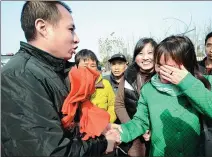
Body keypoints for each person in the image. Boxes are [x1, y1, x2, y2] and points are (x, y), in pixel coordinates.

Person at [1, 2, 117, 156]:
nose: (77, 39)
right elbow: (53, 151)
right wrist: (103, 144)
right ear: (43, 28)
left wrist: (102, 128)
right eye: (70, 29)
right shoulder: (19, 76)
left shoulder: (56, 70)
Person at [110, 35, 212, 156]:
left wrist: (187, 83)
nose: (162, 72)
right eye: (159, 65)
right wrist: (122, 132)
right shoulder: (149, 89)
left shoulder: (204, 83)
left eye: (170, 68)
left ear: (186, 65)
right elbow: (140, 121)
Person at [115, 38, 157, 157]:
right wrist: (133, 128)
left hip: (159, 133)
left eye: (150, 53)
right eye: (140, 53)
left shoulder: (163, 76)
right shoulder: (128, 77)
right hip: (135, 135)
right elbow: (119, 105)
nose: (145, 57)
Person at [75, 49, 116, 123]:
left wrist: (108, 121)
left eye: (93, 65)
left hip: (104, 126)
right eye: (85, 65)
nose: (89, 69)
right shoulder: (73, 85)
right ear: (77, 67)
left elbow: (112, 105)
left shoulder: (105, 84)